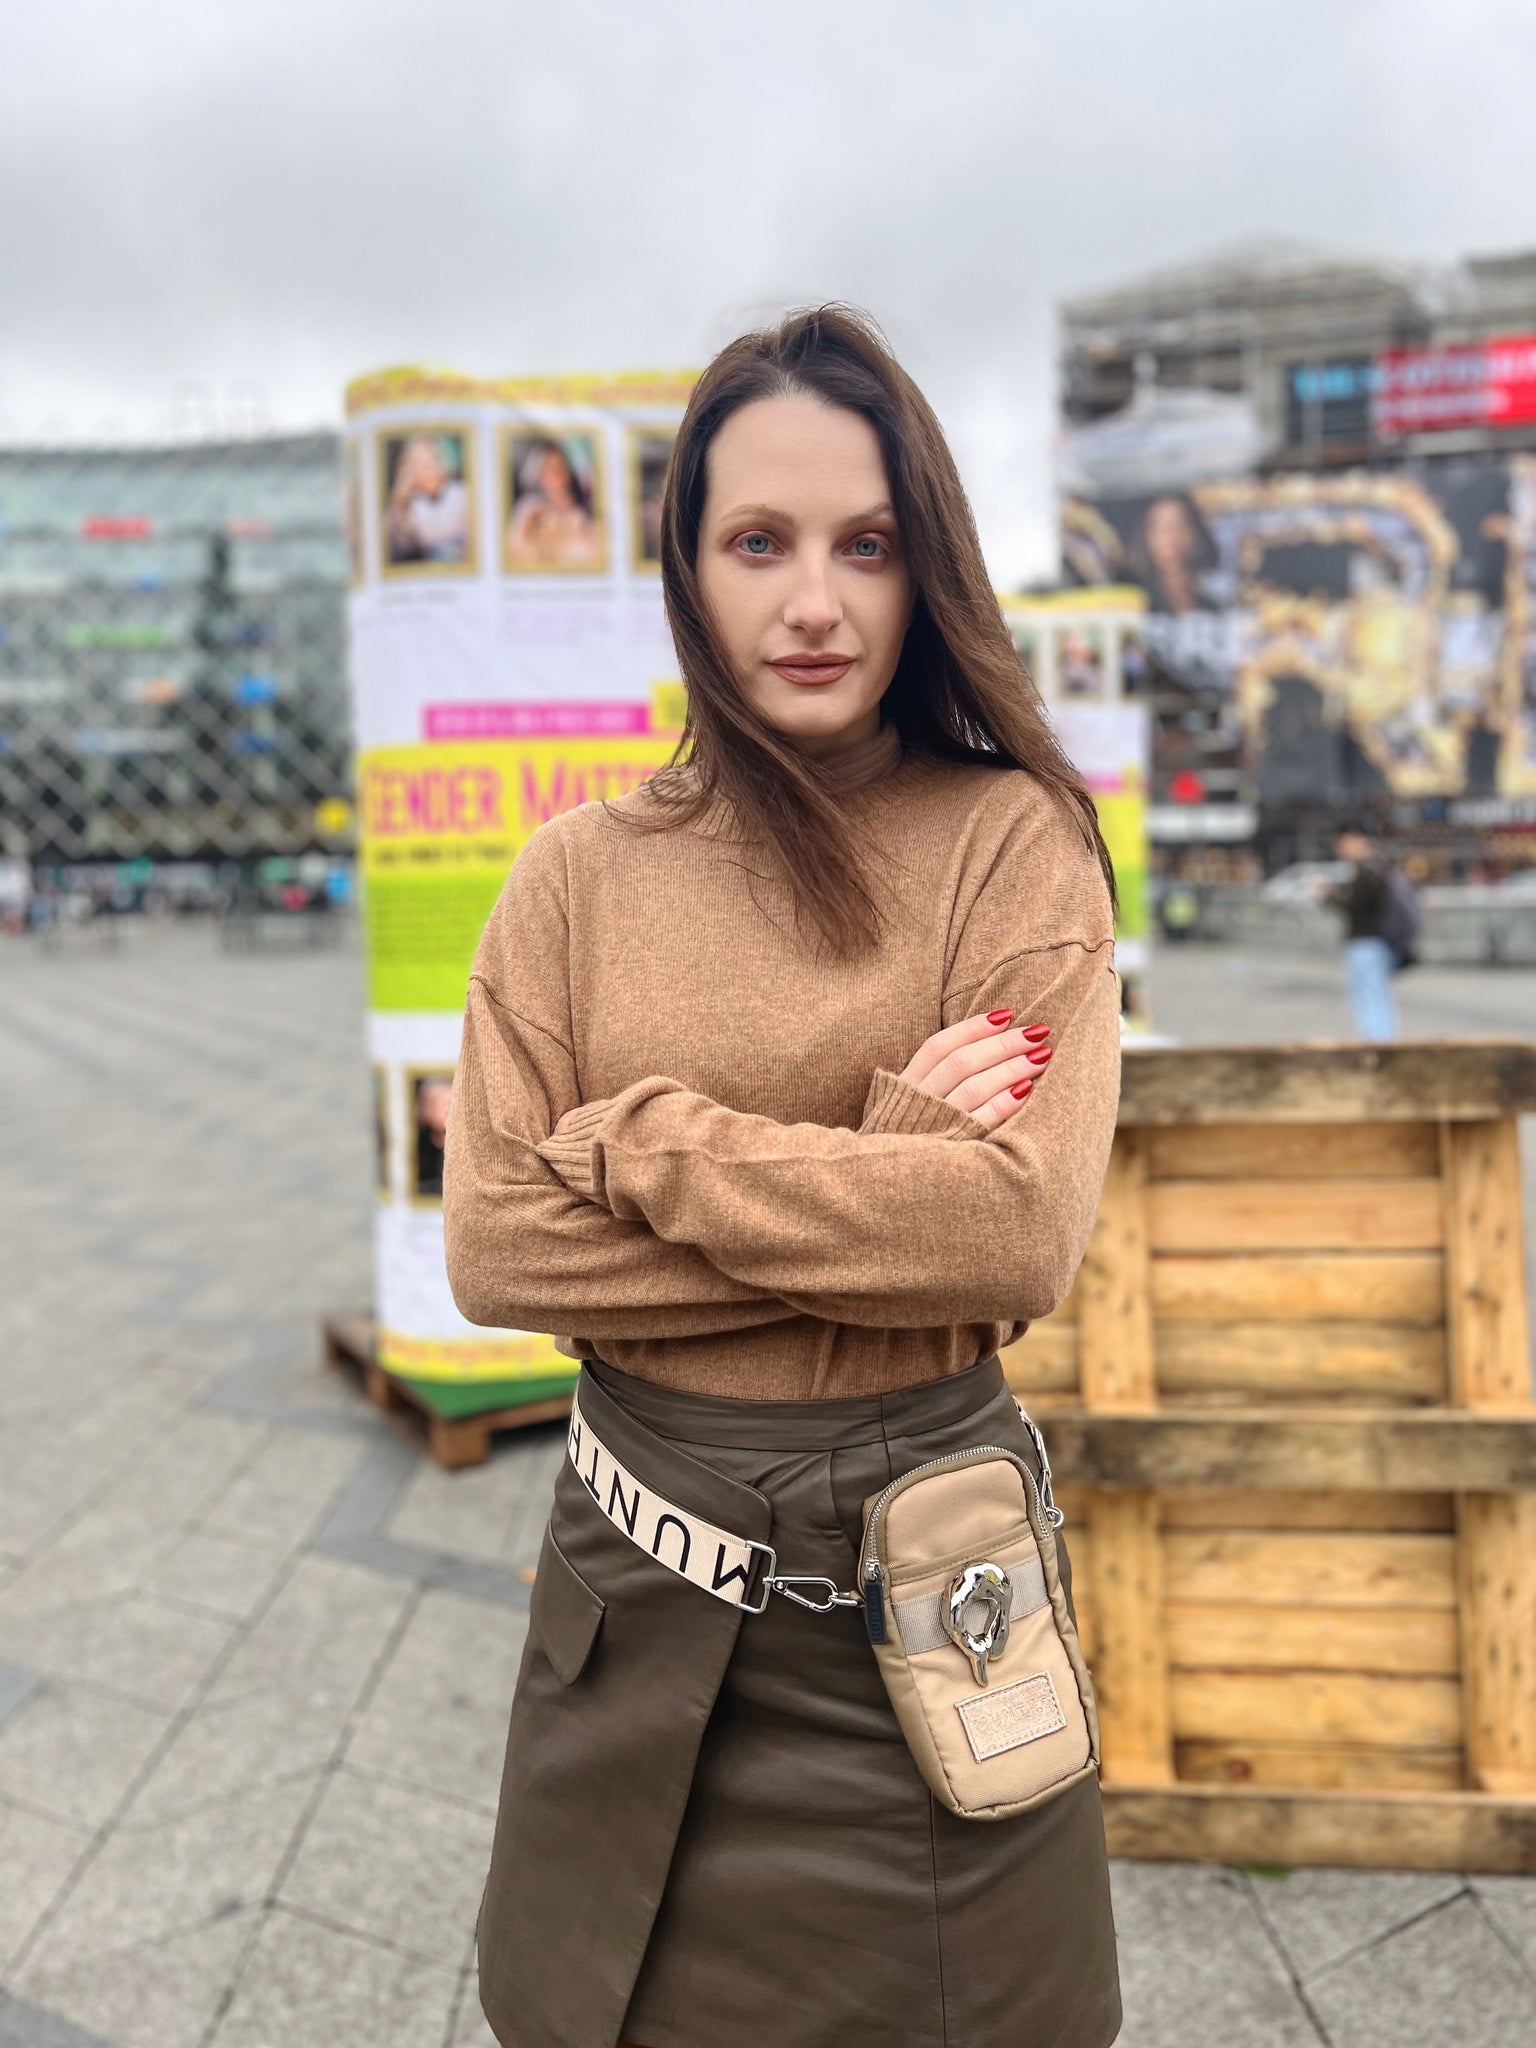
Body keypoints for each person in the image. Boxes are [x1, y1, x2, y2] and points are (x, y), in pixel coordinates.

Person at [444, 305, 1124, 2048]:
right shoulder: (575, 878)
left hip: (927, 1598)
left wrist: (646, 1142)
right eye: (759, 541)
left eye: (866, 544)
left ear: (926, 566)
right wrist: (893, 1175)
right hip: (636, 1580)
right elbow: (500, 1244)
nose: (814, 601)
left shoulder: (1010, 841)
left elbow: (1016, 1232)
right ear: (687, 565)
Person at [1325, 823, 1405, 1041]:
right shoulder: (1380, 868)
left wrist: (1329, 896)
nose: (1340, 850)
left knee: (1369, 998)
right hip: (1379, 943)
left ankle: (1377, 1047)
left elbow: (1355, 908)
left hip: (1367, 943)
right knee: (1377, 996)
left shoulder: (1368, 872)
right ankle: (1382, 1044)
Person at [505, 436, 603, 569]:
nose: (556, 474)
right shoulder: (529, 509)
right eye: (549, 468)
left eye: (560, 466)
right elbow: (515, 553)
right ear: (540, 475)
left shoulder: (583, 510)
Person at [385, 433, 469, 564]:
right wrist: (400, 499)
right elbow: (395, 543)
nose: (427, 469)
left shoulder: (461, 494)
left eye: (431, 460)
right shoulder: (404, 504)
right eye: (418, 464)